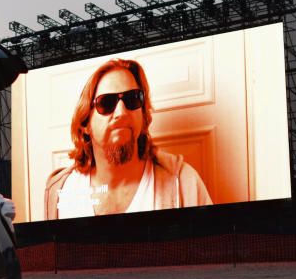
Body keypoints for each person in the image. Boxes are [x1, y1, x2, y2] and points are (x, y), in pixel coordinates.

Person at [44, 58, 212, 219]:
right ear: (85, 123)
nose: (122, 112)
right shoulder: (60, 192)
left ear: (143, 114)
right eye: (106, 103)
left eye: (132, 99)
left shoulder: (183, 183)